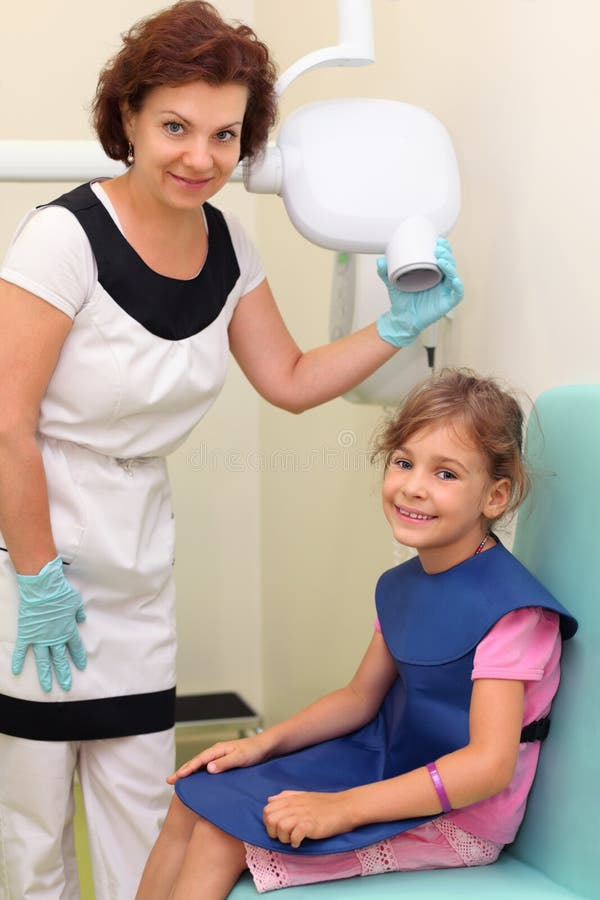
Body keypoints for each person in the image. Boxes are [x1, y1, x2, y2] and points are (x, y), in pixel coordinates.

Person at [0, 2, 465, 898]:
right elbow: (7, 423)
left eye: (224, 134)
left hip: (136, 551)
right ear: (127, 117)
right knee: (33, 824)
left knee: (146, 804)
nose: (200, 157)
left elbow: (286, 377)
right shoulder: (64, 238)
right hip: (35, 543)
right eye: (175, 126)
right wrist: (36, 576)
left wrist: (400, 325)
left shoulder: (227, 241)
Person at [136, 368, 578, 899]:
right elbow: (358, 697)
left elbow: (486, 766)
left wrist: (341, 808)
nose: (414, 485)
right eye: (404, 462)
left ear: (495, 496)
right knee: (192, 796)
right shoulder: (401, 585)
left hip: (461, 817)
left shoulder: (514, 614)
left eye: (447, 474)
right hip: (385, 760)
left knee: (219, 839)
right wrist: (263, 745)